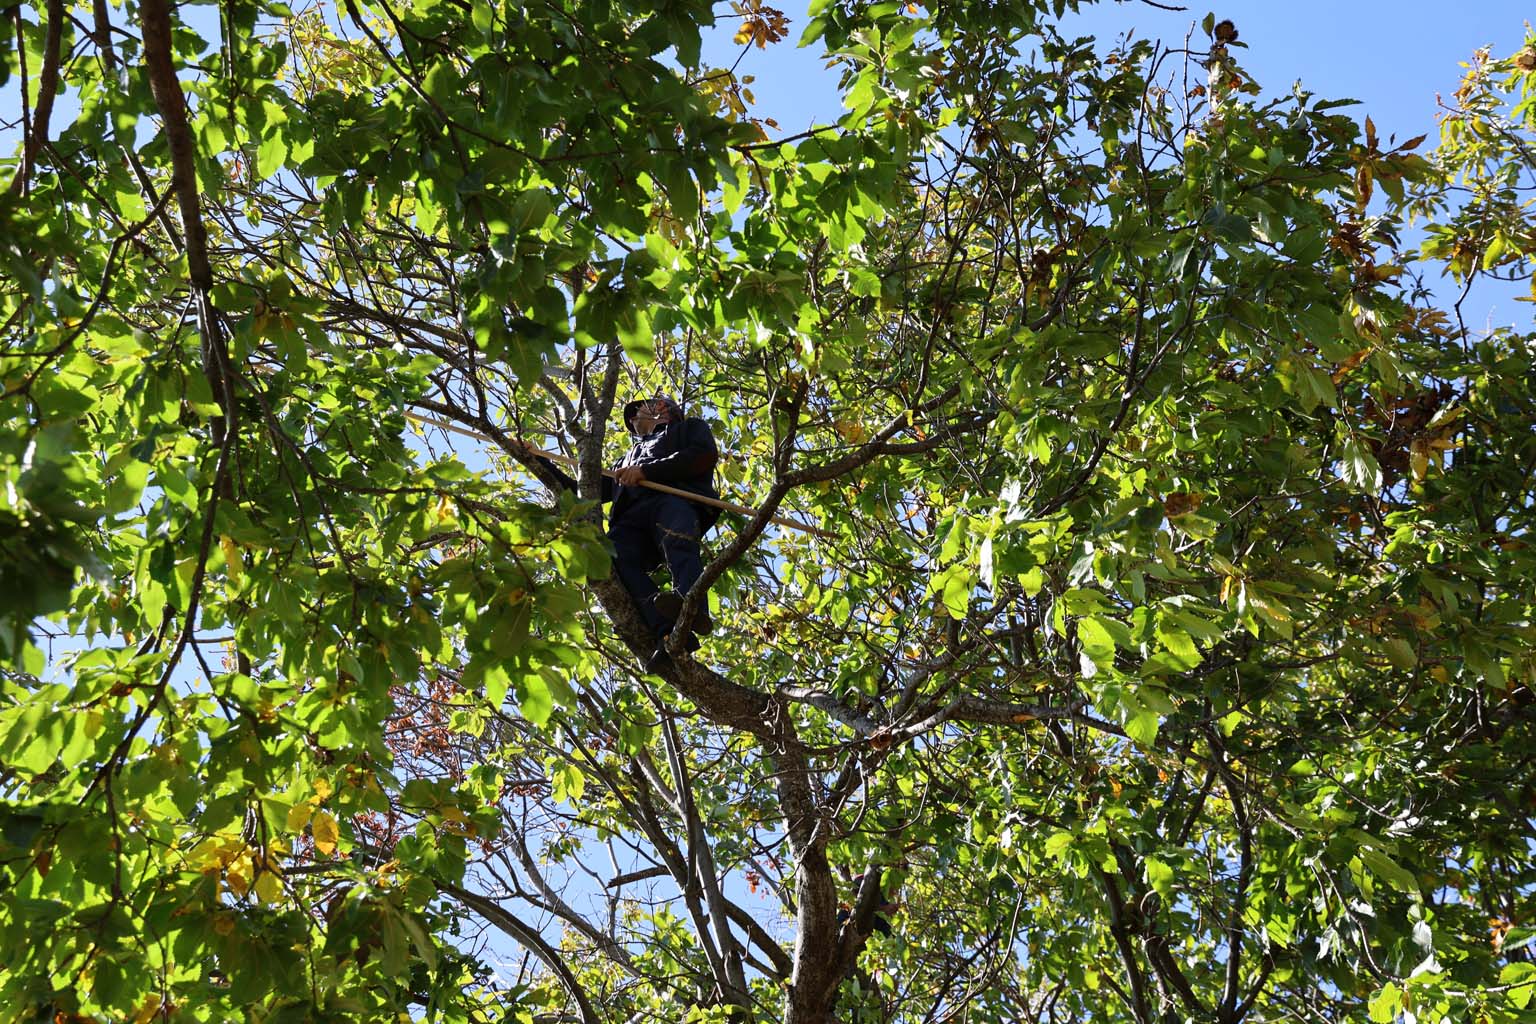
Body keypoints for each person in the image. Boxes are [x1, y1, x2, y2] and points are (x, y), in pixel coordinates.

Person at [531, 395, 719, 671]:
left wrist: (645, 471)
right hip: (631, 522)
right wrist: (538, 460)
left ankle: (694, 611)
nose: (632, 419)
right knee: (611, 560)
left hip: (674, 501)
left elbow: (701, 455)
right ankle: (666, 631)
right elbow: (581, 492)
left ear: (662, 409)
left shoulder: (687, 429)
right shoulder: (627, 459)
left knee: (678, 544)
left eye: (638, 410)